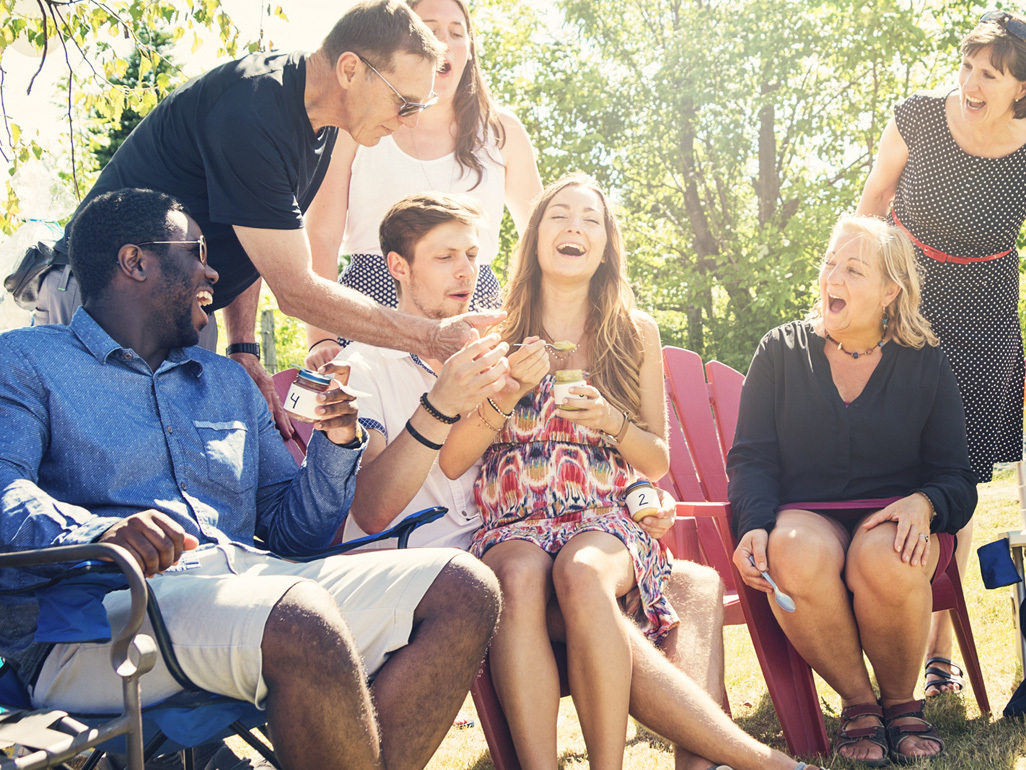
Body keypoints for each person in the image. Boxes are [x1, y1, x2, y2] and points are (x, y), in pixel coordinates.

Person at [0, 188, 501, 770]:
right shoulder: (27, 361)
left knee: (465, 587)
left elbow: (296, 535)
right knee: (301, 617)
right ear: (135, 262)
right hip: (98, 619)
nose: (213, 271)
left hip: (253, 588)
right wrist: (100, 534)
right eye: (197, 252)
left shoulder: (228, 383)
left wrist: (336, 451)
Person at [335, 191, 830, 770]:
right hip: (510, 521)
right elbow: (451, 459)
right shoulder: (494, 332)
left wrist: (613, 425)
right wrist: (510, 394)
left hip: (599, 517)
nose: (574, 227)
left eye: (590, 219)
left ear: (606, 245)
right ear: (536, 237)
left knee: (582, 571)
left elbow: (654, 460)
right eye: (559, 216)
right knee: (517, 579)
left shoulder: (630, 331)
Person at [34, 0, 501, 438]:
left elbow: (252, 237)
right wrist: (431, 336)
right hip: (103, 296)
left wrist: (243, 346)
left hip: (178, 311)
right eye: (406, 101)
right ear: (351, 69)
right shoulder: (254, 109)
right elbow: (295, 290)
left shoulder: (319, 126)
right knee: (91, 474)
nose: (410, 121)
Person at [727, 216, 977, 765]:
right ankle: (860, 706)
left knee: (888, 553)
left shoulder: (927, 363)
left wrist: (926, 502)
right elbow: (752, 458)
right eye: (830, 264)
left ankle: (901, 704)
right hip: (805, 517)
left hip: (894, 520)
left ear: (891, 291)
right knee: (791, 547)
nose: (832, 278)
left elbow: (957, 476)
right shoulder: (780, 351)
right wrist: (752, 523)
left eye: (854, 269)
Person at [855, 10, 1026, 697]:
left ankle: (940, 652)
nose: (972, 82)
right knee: (884, 459)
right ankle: (877, 619)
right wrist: (856, 293)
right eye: (967, 65)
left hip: (985, 317)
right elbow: (871, 203)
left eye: (991, 73)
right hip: (906, 299)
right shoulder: (921, 117)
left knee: (958, 475)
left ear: (1021, 88)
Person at [302, 0, 542, 366]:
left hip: (473, 305)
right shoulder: (355, 122)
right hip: (371, 305)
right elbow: (322, 235)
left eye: (457, 33)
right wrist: (320, 337)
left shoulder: (502, 130)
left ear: (470, 49)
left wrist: (534, 322)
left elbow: (538, 240)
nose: (443, 42)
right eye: (428, 30)